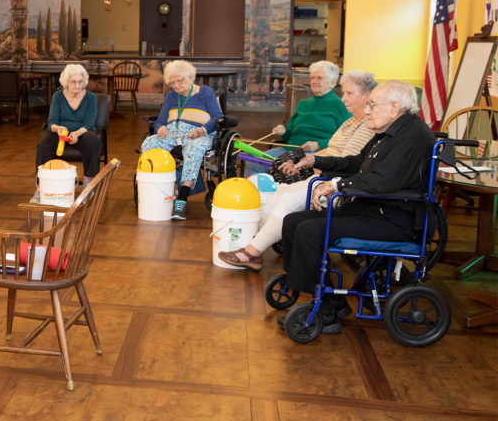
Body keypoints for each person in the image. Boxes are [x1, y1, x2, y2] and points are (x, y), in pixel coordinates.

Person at [276, 80, 435, 334]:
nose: (368, 110)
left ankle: (325, 311)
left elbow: (383, 181)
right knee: (294, 221)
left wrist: (336, 185)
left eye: (372, 104)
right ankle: (331, 301)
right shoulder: (388, 133)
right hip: (373, 210)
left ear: (394, 107)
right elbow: (356, 163)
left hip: (394, 220)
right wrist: (315, 160)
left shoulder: (412, 137)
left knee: (310, 231)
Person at [218, 70, 378, 270]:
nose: (343, 98)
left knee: (288, 198)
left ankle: (252, 251)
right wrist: (303, 160)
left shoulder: (368, 125)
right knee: (282, 190)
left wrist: (314, 165)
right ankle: (253, 244)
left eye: (349, 94)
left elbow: (348, 161)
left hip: (335, 182)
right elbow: (332, 149)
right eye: (343, 93)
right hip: (320, 169)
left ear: (366, 97)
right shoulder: (349, 122)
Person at [141, 60, 224, 220]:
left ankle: (182, 199)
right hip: (172, 134)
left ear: (190, 77)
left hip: (197, 133)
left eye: (179, 80)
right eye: (172, 83)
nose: (176, 86)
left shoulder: (205, 92)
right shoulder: (171, 96)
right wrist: (160, 128)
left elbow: (218, 117)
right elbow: (160, 120)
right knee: (149, 144)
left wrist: (201, 130)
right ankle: (161, 188)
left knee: (194, 150)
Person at [35, 63, 100, 183]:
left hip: (81, 133)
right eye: (73, 82)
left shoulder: (91, 98)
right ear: (66, 82)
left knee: (92, 140)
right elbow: (52, 122)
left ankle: (89, 184)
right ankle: (42, 184)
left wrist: (76, 133)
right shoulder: (58, 97)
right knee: (44, 143)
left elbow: (89, 123)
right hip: (60, 132)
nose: (77, 85)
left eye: (80, 82)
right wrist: (58, 128)